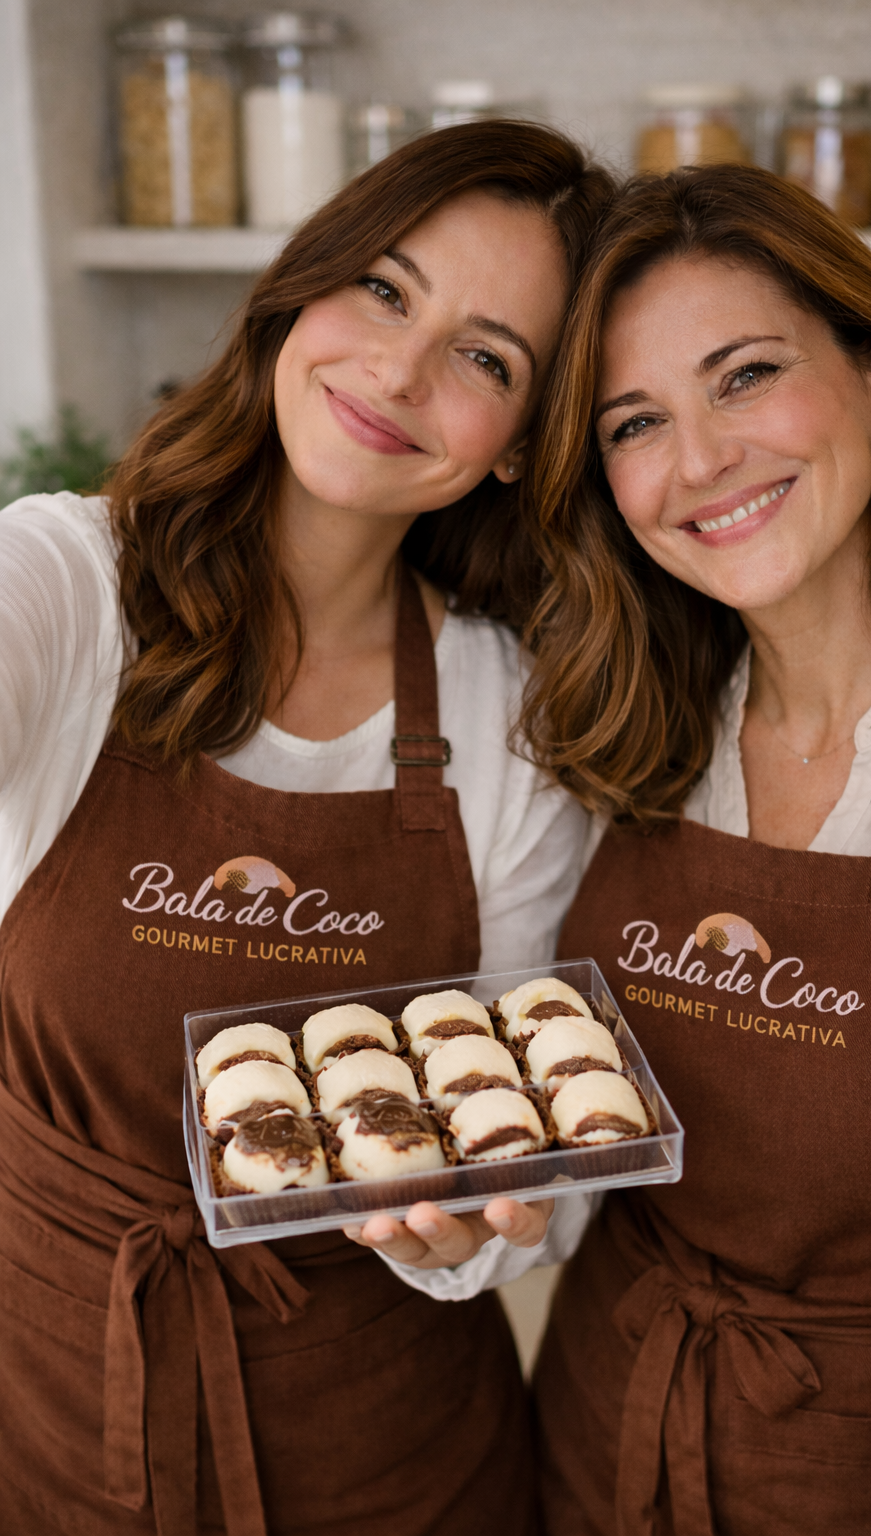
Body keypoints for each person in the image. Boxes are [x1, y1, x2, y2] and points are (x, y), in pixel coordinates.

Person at [0, 121, 612, 1536]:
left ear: (523, 446)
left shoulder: (508, 718)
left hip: (392, 1456)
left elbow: (538, 1135)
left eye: (486, 358)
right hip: (53, 1416)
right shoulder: (69, 586)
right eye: (384, 291)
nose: (399, 371)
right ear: (298, 291)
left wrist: (476, 1232)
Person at [517, 166, 871, 1534]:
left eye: (745, 377)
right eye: (636, 423)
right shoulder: (622, 722)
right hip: (597, 1449)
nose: (699, 462)